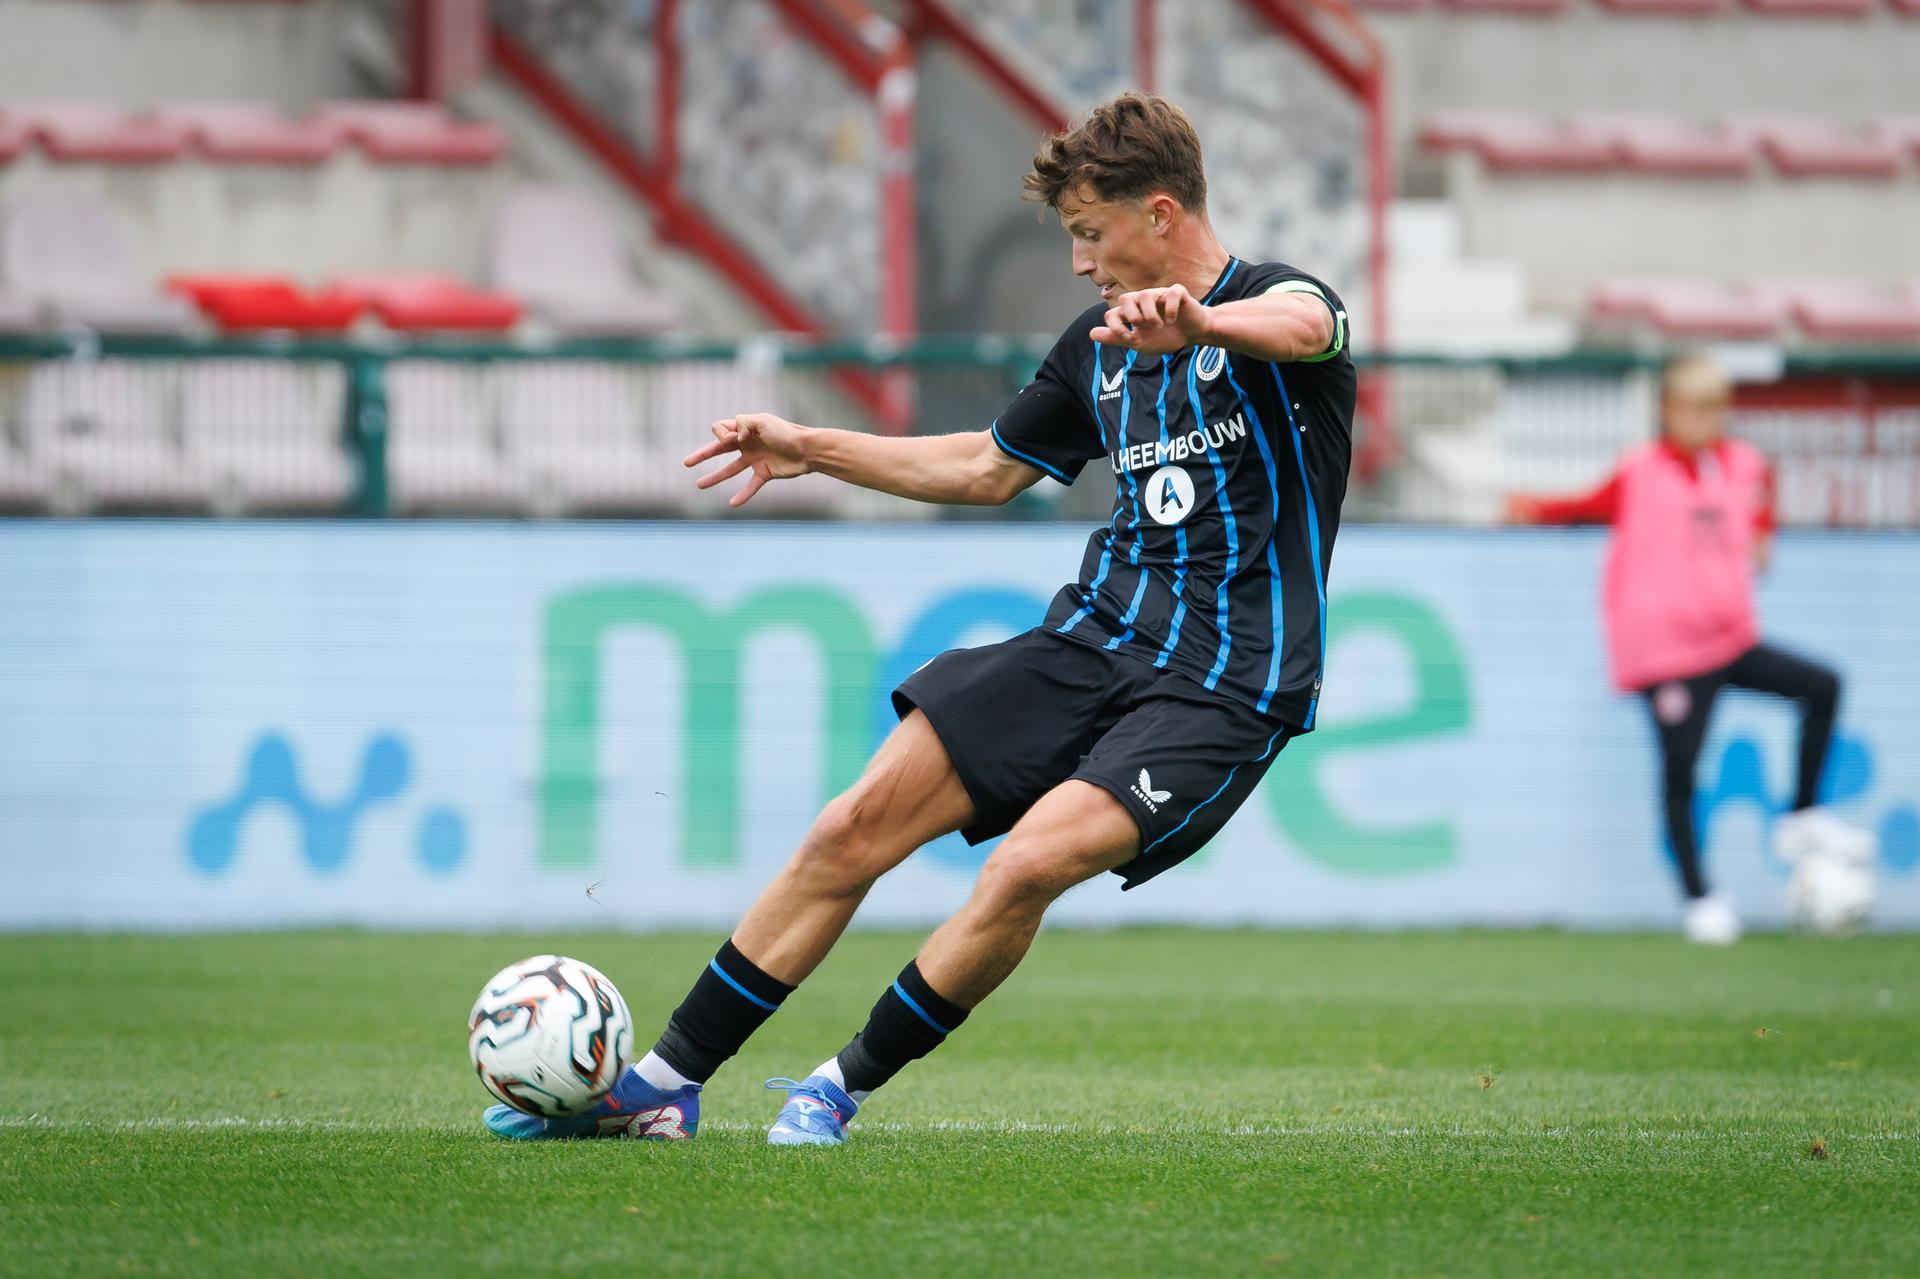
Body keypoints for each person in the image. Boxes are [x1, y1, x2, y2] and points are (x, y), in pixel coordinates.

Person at [484, 92, 1354, 1145]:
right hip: (1091, 639)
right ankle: (667, 1082)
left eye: (1090, 232)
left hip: (1226, 682)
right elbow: (988, 466)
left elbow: (1310, 327)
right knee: (851, 826)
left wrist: (1205, 322)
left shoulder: (1277, 306)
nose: (1080, 263)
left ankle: (835, 1087)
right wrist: (815, 445)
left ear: (1159, 214)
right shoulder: (1099, 345)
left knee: (1026, 865)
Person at [1507, 352, 1869, 944]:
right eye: (1693, 407)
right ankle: (1701, 899)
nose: (1705, 419)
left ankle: (1802, 815)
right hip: (1667, 652)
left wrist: (1760, 539)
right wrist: (1531, 509)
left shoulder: (1746, 465)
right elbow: (1584, 506)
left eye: (1714, 408)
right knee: (1681, 770)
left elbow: (1759, 524)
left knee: (1822, 686)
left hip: (1730, 637)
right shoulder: (1642, 470)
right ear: (1668, 409)